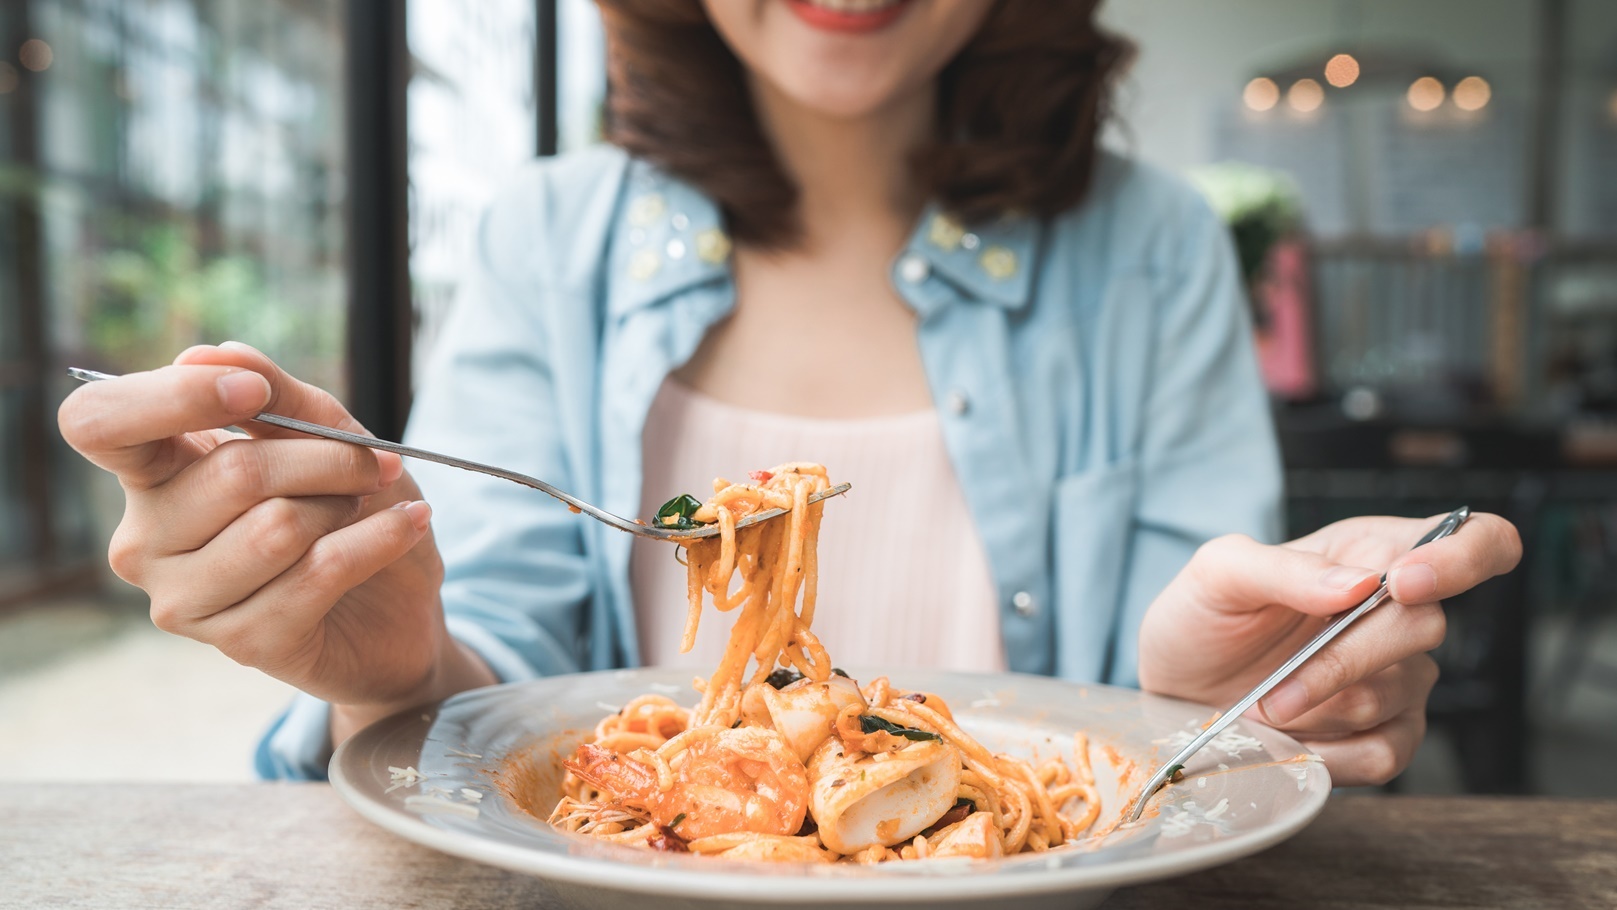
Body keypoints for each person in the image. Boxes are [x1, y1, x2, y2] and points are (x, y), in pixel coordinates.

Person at [58, 0, 1520, 787]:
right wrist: (389, 667)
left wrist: (1249, 691)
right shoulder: (543, 238)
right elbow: (480, 695)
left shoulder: (1153, 247)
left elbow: (1174, 721)